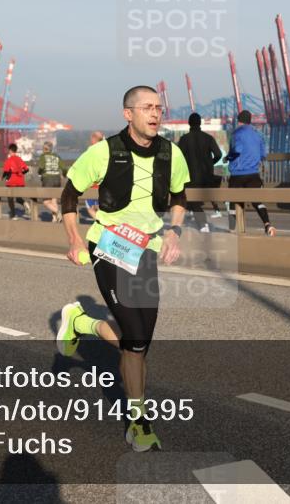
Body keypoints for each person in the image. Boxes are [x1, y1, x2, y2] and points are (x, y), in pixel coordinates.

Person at [55, 85, 188, 453]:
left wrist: (174, 232)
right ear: (128, 114)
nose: (155, 113)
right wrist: (75, 239)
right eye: (146, 107)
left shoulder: (170, 153)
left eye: (158, 107)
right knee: (135, 335)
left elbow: (179, 195)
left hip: (147, 249)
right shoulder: (103, 152)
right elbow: (70, 193)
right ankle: (138, 421)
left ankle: (82, 323)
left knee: (141, 341)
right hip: (110, 246)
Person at [226, 110, 275, 236]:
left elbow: (236, 150)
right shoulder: (257, 134)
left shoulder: (237, 133)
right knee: (257, 201)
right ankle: (267, 224)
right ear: (250, 120)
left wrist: (228, 157)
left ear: (239, 120)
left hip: (238, 173)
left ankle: (232, 228)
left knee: (233, 201)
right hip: (253, 173)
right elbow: (263, 154)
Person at [177, 112, 222, 233]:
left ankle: (202, 224)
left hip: (191, 177)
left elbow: (178, 158)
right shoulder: (208, 138)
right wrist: (210, 163)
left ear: (189, 123)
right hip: (207, 177)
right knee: (196, 201)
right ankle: (201, 222)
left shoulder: (184, 139)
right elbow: (218, 154)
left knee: (192, 199)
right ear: (200, 123)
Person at [37, 142, 64, 222]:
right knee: (53, 200)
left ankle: (58, 212)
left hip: (48, 180)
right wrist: (64, 175)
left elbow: (41, 167)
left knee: (45, 201)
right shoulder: (57, 156)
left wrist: (39, 172)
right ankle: (55, 218)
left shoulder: (43, 156)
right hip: (57, 179)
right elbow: (64, 168)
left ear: (44, 149)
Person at [2, 143, 29, 219]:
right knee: (17, 197)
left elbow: (6, 171)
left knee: (10, 198)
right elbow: (27, 169)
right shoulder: (20, 159)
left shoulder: (9, 160)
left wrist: (2, 177)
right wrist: (21, 174)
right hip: (20, 181)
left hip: (11, 181)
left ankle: (13, 215)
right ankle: (24, 203)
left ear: (10, 151)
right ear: (16, 151)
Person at [84, 131, 105, 219]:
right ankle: (101, 223)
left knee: (90, 208)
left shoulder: (91, 150)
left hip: (93, 184)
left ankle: (99, 223)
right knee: (100, 207)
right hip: (103, 185)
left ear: (93, 139)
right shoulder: (106, 150)